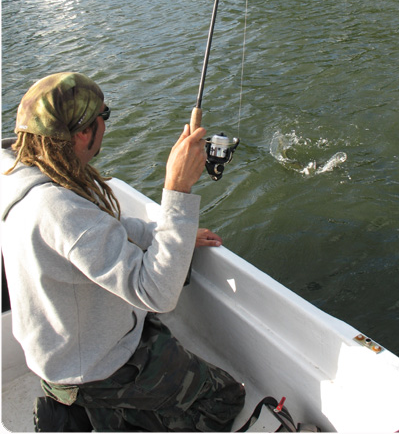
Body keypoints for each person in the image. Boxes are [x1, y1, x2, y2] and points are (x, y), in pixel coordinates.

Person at [1, 72, 245, 432]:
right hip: (97, 370)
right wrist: (177, 189)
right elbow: (156, 294)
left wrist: (166, 232)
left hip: (60, 359)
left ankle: (96, 412)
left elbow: (101, 230)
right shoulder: (60, 210)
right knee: (225, 397)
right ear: (84, 132)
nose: (105, 123)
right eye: (105, 115)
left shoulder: (20, 174)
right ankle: (109, 410)